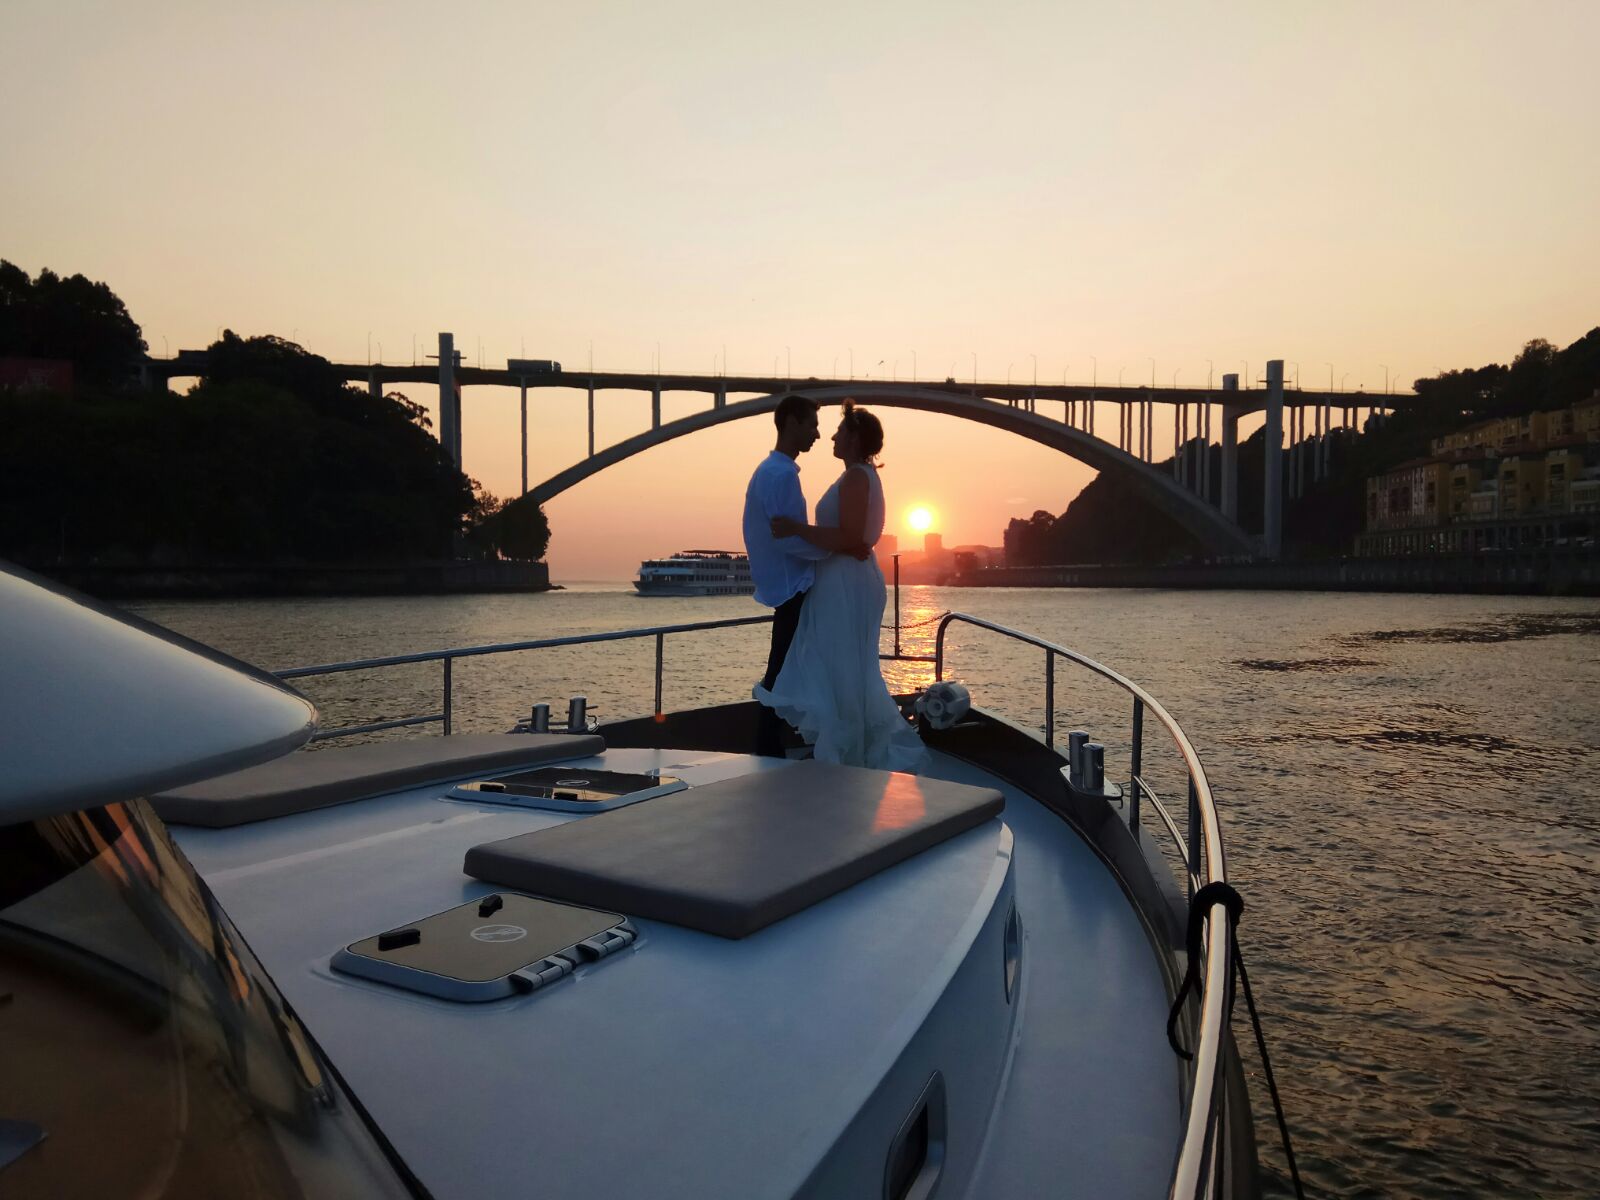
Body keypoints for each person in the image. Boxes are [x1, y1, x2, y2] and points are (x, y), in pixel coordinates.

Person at [755, 402, 930, 773]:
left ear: (853, 438)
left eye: (838, 431)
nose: (830, 436)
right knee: (842, 664)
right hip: (847, 577)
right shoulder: (860, 474)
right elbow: (851, 539)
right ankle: (846, 745)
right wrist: (839, 541)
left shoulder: (855, 478)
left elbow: (849, 536)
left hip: (846, 582)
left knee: (841, 664)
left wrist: (796, 528)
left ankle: (845, 750)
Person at [743, 394, 834, 758]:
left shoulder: (769, 472)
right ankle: (768, 746)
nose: (816, 433)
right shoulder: (780, 476)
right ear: (792, 423)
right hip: (793, 587)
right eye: (811, 424)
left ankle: (771, 745)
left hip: (783, 586)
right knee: (782, 669)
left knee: (786, 666)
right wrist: (832, 551)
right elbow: (788, 539)